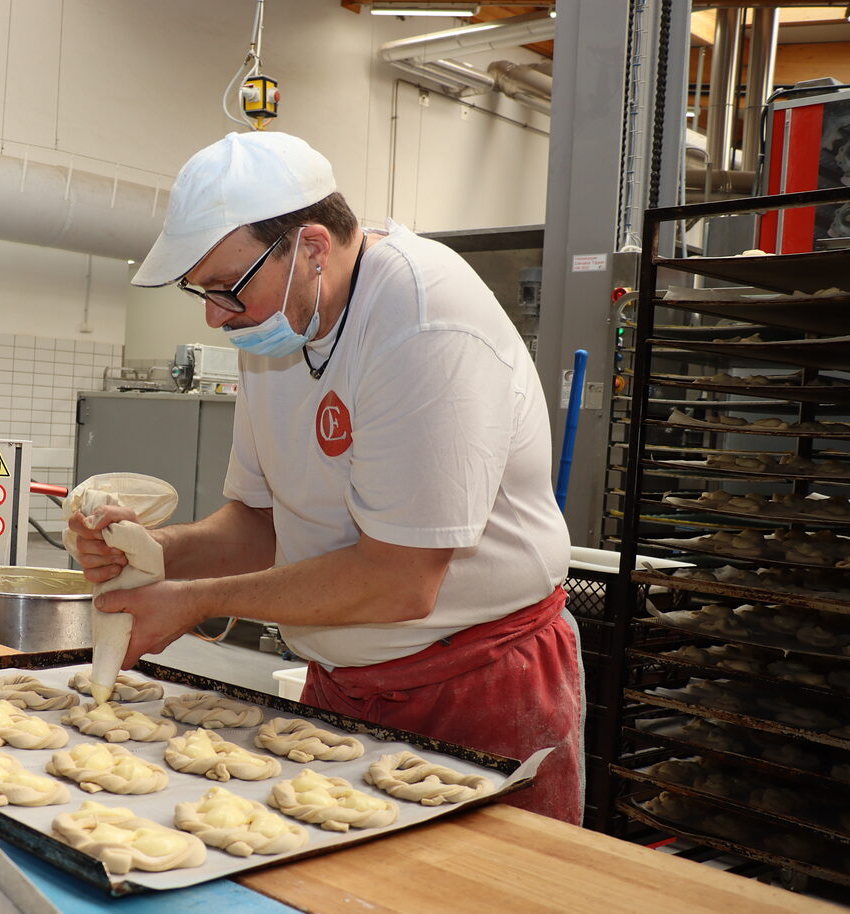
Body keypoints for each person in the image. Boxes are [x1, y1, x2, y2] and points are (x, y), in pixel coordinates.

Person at [67, 131, 580, 823]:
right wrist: (155, 551)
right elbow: (258, 524)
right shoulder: (273, 333)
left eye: (226, 287)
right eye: (202, 290)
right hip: (338, 687)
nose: (214, 316)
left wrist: (189, 601)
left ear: (312, 247)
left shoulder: (422, 318)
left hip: (476, 684)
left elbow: (402, 580)